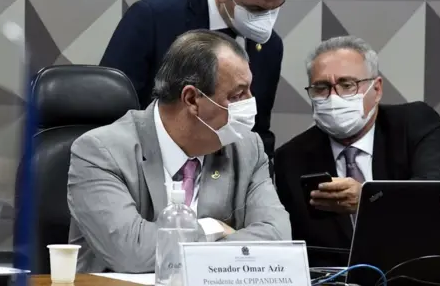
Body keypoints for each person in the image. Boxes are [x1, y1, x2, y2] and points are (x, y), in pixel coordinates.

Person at [68, 30, 291, 273]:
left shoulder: (247, 148)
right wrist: (211, 229)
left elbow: (277, 239)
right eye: (237, 95)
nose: (251, 103)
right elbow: (132, 252)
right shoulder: (99, 152)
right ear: (192, 99)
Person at [99, 0, 295, 169]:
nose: (266, 20)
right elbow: (110, 112)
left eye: (275, 9)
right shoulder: (151, 19)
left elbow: (258, 129)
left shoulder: (270, 46)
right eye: (255, 10)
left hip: (225, 182)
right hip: (147, 171)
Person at [274, 36, 440, 267]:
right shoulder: (290, 158)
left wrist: (370, 200)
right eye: (321, 88)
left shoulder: (415, 124)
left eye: (347, 85)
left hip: (414, 274)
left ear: (377, 89)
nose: (333, 97)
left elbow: (439, 195)